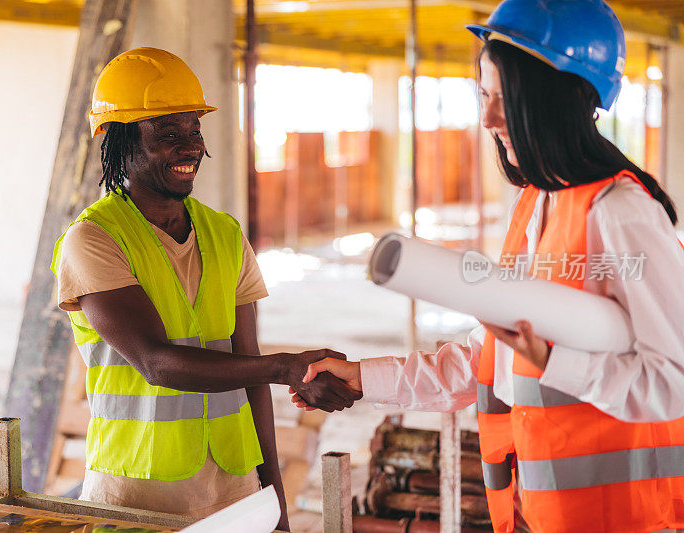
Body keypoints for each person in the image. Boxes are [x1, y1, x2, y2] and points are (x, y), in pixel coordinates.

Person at [292, 1, 684, 532]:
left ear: (563, 100)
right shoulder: (535, 204)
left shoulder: (621, 213)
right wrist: (364, 378)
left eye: (507, 98)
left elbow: (674, 384)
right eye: (485, 94)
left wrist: (553, 360)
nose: (488, 119)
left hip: (627, 520)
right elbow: (492, 359)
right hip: (533, 514)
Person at [50, 47, 359, 531]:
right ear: (119, 141)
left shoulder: (224, 234)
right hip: (137, 496)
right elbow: (155, 362)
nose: (190, 146)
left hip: (233, 493)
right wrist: (288, 367)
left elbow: (250, 369)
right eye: (168, 134)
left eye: (194, 130)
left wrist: (274, 499)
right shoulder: (93, 239)